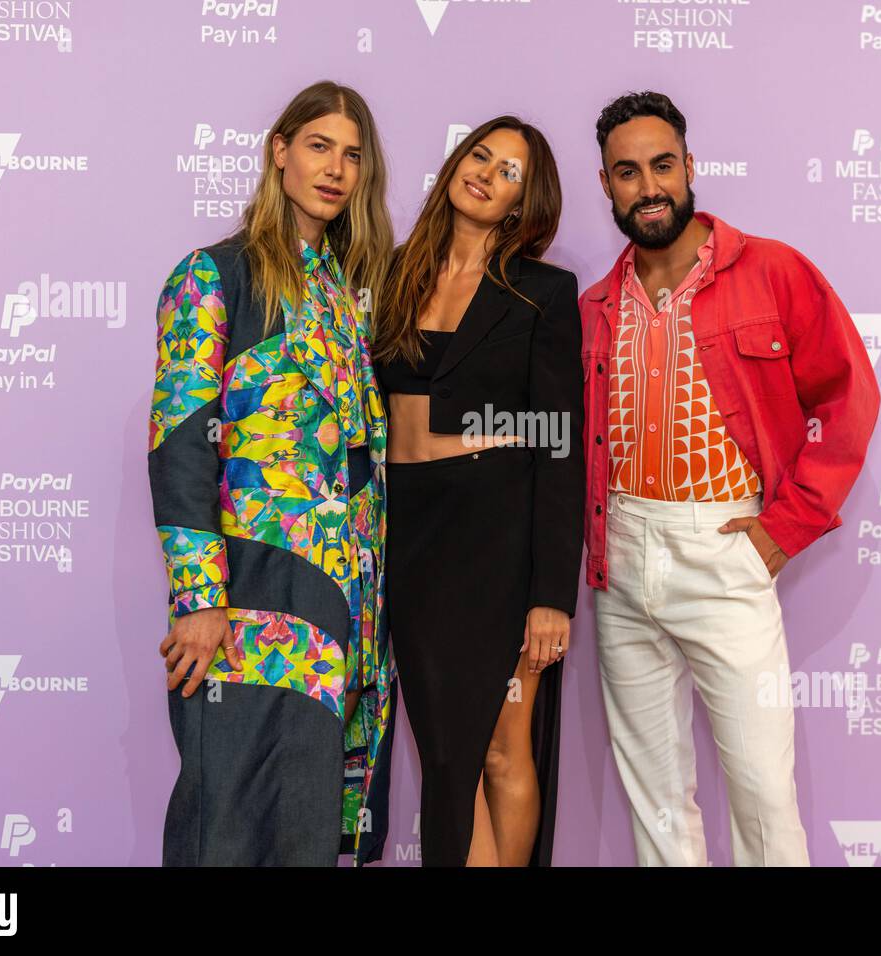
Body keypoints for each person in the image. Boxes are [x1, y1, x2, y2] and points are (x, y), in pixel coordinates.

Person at [579, 91, 881, 866]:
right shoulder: (596, 307)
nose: (648, 187)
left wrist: (783, 531)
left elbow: (850, 398)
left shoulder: (771, 272)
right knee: (656, 797)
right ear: (606, 185)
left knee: (761, 794)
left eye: (662, 166)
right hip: (621, 557)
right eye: (627, 172)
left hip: (725, 547)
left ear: (689, 168)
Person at [148, 80, 397, 866]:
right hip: (253, 604)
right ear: (279, 152)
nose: (335, 169)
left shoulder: (349, 295)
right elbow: (181, 440)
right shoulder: (214, 276)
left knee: (326, 826)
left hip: (349, 606)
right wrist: (198, 599)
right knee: (231, 822)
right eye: (318, 146)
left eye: (352, 156)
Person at [372, 116, 584, 866]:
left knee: (502, 743)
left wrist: (552, 592)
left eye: (511, 172)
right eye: (480, 155)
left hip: (497, 535)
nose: (488, 173)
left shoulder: (544, 294)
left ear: (526, 206)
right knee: (446, 756)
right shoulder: (392, 274)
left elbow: (557, 443)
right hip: (410, 532)